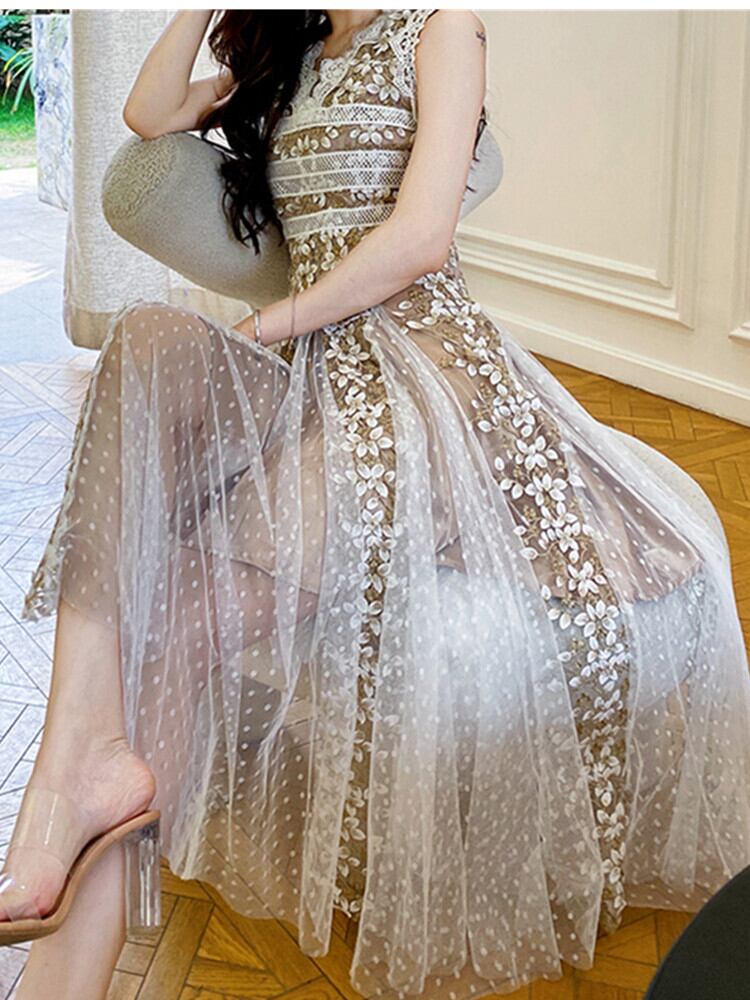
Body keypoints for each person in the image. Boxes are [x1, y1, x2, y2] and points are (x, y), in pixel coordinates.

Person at [3, 9, 750, 1000]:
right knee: (143, 337)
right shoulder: (293, 56)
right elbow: (148, 113)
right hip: (319, 375)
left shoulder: (441, 29)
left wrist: (270, 326)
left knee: (179, 613)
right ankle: (72, 771)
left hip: (426, 379)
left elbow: (423, 238)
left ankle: (63, 969)